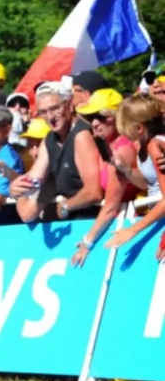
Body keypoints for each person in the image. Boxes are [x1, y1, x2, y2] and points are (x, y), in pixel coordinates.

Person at [9, 82, 103, 222]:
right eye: (43, 112)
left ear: (69, 105)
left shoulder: (81, 135)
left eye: (54, 108)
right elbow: (33, 180)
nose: (50, 116)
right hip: (73, 218)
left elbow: (93, 192)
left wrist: (66, 205)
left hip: (92, 218)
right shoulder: (49, 139)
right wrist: (15, 187)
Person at [71, 89, 141, 267]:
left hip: (128, 224)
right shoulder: (111, 147)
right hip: (119, 223)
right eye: (91, 117)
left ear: (116, 117)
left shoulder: (123, 150)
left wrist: (87, 242)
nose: (94, 123)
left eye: (101, 117)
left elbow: (110, 206)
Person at [105, 94, 165, 249]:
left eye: (125, 129)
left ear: (139, 128)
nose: (122, 134)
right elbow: (150, 184)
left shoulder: (154, 146)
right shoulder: (145, 145)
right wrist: (126, 169)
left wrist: (133, 230)